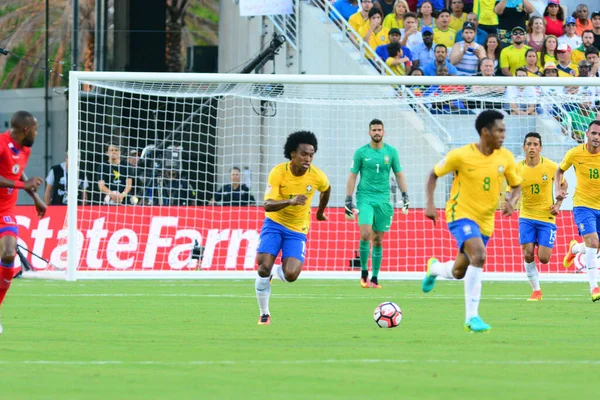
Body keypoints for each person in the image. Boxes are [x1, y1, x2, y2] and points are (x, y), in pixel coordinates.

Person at [421, 110, 522, 332]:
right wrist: (429, 203)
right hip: (460, 214)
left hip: (486, 221)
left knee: (459, 272)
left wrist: (512, 201)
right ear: (485, 132)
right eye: (499, 130)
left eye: (504, 130)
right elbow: (433, 174)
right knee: (479, 255)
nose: (503, 135)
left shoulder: (505, 157)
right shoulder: (461, 155)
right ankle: (472, 318)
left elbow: (516, 185)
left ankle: (434, 268)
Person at [254, 131, 331, 325]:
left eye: (311, 155)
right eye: (304, 154)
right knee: (263, 268)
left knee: (291, 275)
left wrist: (320, 212)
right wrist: (291, 201)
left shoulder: (317, 176)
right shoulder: (278, 172)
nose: (308, 158)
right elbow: (267, 205)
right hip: (274, 223)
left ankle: (274, 274)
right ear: (292, 154)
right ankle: (264, 313)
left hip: (297, 229)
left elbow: (326, 188)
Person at [345, 119, 408, 289]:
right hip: (365, 198)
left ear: (384, 132)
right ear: (369, 132)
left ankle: (375, 277)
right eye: (374, 130)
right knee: (365, 233)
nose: (377, 132)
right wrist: (348, 199)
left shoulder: (391, 152)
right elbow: (352, 175)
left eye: (379, 129)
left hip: (383, 200)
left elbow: (399, 174)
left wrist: (405, 195)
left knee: (378, 240)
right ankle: (364, 272)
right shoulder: (361, 153)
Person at [0, 111, 46, 334]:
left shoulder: (25, 149)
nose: (37, 133)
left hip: (5, 211)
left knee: (9, 254)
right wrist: (22, 186)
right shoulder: (0, 144)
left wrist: (36, 198)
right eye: (36, 129)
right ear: (26, 130)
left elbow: (18, 173)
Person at [516, 132, 566, 301]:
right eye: (529, 144)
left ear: (540, 148)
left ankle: (539, 240)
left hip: (546, 218)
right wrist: (509, 201)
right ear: (524, 147)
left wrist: (558, 204)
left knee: (544, 259)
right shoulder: (517, 168)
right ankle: (536, 291)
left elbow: (563, 184)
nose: (532, 147)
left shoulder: (551, 167)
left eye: (535, 144)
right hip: (526, 216)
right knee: (528, 254)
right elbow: (512, 190)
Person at [555, 120, 600, 302]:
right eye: (594, 133)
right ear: (587, 134)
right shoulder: (575, 153)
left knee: (595, 247)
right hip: (583, 205)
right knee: (592, 241)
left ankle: (573, 249)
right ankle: (594, 287)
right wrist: (558, 189)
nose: (597, 137)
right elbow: (559, 171)